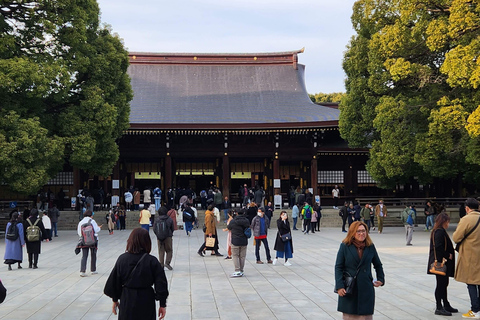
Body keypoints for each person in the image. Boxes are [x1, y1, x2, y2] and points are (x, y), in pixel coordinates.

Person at [104, 228, 169, 320]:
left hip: (127, 298)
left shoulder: (122, 259)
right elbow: (161, 283)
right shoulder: (152, 261)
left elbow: (115, 282)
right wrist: (162, 304)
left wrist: (115, 299)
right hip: (146, 299)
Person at [335, 221, 385, 319]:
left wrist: (381, 279)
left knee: (365, 317)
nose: (361, 233)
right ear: (352, 232)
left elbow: (378, 265)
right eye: (358, 231)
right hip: (349, 288)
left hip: (365, 288)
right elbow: (338, 267)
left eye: (363, 231)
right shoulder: (345, 246)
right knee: (350, 316)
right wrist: (339, 286)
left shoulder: (370, 247)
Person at [453, 198, 480, 319]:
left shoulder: (466, 219)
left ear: (467, 208)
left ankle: (475, 309)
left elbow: (456, 237)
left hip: (470, 256)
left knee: (471, 282)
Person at [427, 212, 457, 316]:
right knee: (441, 284)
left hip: (442, 262)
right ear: (443, 222)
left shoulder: (439, 231)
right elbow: (438, 247)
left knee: (444, 284)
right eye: (448, 222)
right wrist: (447, 254)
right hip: (440, 262)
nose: (448, 224)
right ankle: (439, 306)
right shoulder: (439, 232)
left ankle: (446, 303)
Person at [77, 210, 102, 276]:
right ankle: (93, 270)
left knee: (84, 256)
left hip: (84, 240)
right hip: (93, 240)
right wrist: (99, 228)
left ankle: (82, 271)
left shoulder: (81, 222)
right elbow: (96, 230)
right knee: (93, 255)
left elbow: (79, 232)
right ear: (91, 215)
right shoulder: (92, 221)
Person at [228, 209, 250, 277]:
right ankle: (241, 270)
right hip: (244, 240)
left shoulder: (233, 221)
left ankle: (237, 270)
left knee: (235, 256)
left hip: (235, 240)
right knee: (242, 256)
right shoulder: (246, 221)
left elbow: (229, 227)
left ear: (236, 213)